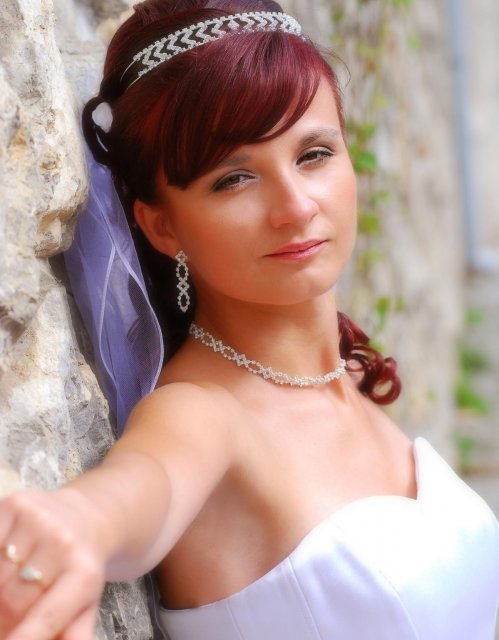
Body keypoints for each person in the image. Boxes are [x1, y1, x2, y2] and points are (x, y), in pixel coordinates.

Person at [1, 1, 498, 638]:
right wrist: (80, 523)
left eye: (314, 154)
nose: (295, 207)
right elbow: (146, 485)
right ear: (162, 224)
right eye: (234, 178)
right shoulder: (201, 413)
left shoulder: (344, 378)